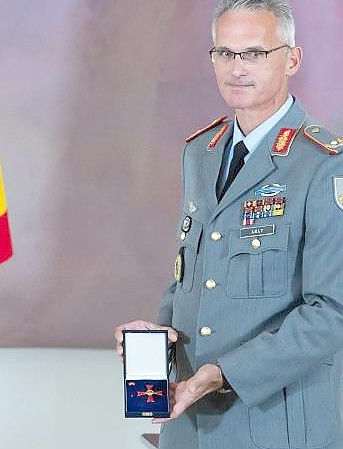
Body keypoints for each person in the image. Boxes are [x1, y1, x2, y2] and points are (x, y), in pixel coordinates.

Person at [114, 1, 343, 448]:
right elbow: (188, 275)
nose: (237, 68)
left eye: (255, 53)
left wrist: (223, 375)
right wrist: (160, 337)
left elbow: (333, 312)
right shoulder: (202, 152)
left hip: (276, 423)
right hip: (190, 419)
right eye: (225, 53)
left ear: (292, 59)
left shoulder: (323, 165)